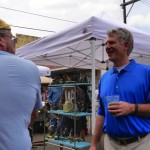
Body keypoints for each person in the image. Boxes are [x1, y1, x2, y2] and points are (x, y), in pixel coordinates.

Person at [90, 27, 150, 150]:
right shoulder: (105, 78)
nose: (107, 46)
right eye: (106, 43)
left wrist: (132, 108)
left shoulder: (146, 73)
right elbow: (102, 113)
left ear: (126, 45)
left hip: (140, 144)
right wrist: (94, 144)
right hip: (110, 144)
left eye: (111, 42)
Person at [0, 19, 42, 150]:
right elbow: (33, 114)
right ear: (1, 41)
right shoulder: (30, 68)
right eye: (13, 39)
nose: (14, 43)